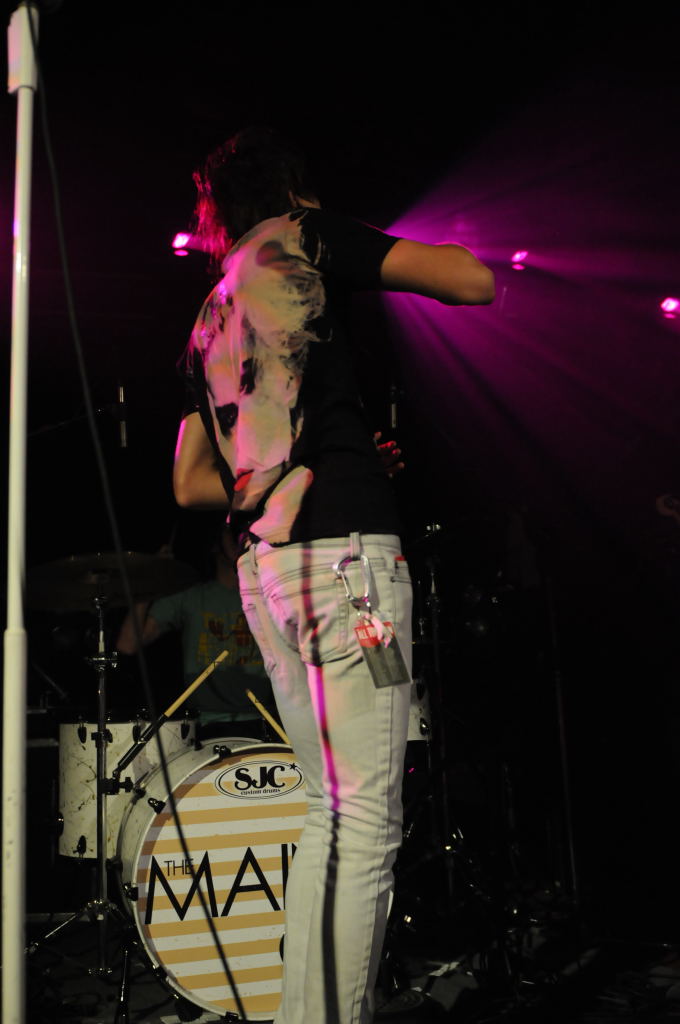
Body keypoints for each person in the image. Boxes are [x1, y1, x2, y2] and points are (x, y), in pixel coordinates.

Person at [173, 126, 494, 1024]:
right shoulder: (302, 239)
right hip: (345, 566)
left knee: (332, 814)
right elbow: (471, 279)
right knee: (366, 825)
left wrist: (310, 463)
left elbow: (192, 482)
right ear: (293, 189)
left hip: (270, 571)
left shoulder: (209, 313)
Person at [116, 525, 277, 738]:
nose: (240, 537)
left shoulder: (269, 594)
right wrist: (150, 580)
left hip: (264, 722)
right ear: (214, 544)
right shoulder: (192, 596)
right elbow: (127, 644)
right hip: (202, 725)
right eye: (231, 531)